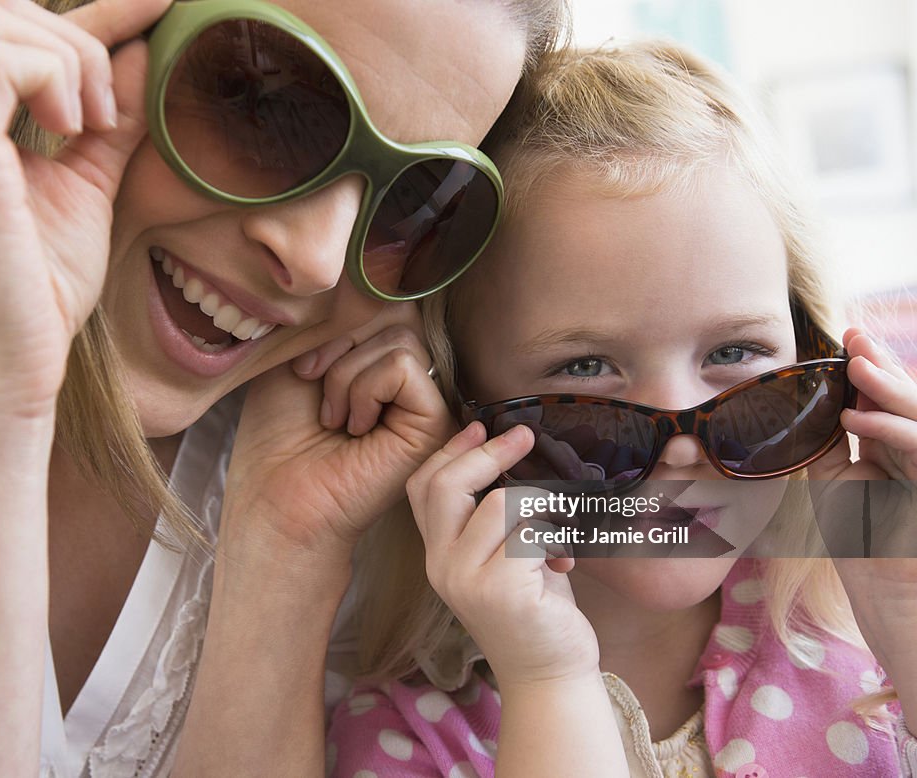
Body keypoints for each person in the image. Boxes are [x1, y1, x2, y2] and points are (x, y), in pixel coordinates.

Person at [0, 0, 570, 775]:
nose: (319, 258)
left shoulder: (378, 527)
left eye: (416, 201)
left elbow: (682, 527)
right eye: (261, 104)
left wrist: (287, 555)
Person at [327, 43, 917, 777]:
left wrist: (901, 610)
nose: (680, 443)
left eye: (735, 353)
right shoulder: (409, 736)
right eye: (585, 369)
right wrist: (548, 680)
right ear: (459, 407)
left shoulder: (871, 652)